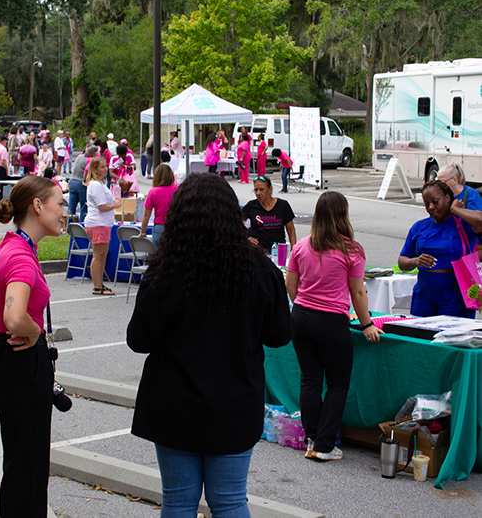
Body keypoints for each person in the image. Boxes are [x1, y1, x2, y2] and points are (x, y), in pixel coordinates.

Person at [127, 173, 293, 518]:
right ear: (234, 215)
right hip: (236, 401)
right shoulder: (260, 271)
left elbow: (138, 340)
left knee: (178, 500)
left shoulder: (163, 273)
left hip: (174, 402)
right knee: (230, 499)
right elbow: (279, 335)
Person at [0, 175, 67, 517]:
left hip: (5, 358)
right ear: (37, 206)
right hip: (21, 361)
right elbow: (15, 316)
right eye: (60, 203)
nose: (65, 210)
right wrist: (35, 333)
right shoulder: (20, 255)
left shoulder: (8, 244)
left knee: (19, 465)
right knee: (29, 470)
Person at [286, 191, 382, 461]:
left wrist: (305, 305)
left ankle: (312, 438)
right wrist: (367, 324)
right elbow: (358, 293)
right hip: (331, 322)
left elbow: (291, 286)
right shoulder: (351, 250)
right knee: (338, 383)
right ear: (343, 215)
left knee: (310, 380)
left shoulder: (302, 246)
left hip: (301, 317)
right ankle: (325, 446)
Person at [398, 180, 482, 318]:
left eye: (435, 201)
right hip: (423, 298)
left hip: (456, 299)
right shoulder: (419, 227)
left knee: (453, 339)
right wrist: (416, 261)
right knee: (419, 338)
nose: (431, 207)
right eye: (426, 204)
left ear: (447, 198)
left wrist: (455, 210)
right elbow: (402, 261)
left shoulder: (462, 224)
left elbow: (479, 221)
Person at [83, 156, 122, 295]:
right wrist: (115, 205)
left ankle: (99, 283)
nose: (105, 169)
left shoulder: (99, 184)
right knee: (98, 255)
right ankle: (97, 286)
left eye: (106, 166)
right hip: (98, 223)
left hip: (102, 223)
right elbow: (102, 207)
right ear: (95, 169)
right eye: (102, 167)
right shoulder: (95, 185)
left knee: (102, 255)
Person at [243, 176, 296, 252]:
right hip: (258, 252)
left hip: (279, 252)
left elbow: (291, 230)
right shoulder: (251, 206)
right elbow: (235, 224)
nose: (258, 193)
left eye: (262, 190)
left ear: (270, 189)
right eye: (256, 190)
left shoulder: (283, 205)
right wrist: (246, 239)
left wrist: (293, 250)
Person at [138, 164, 178, 249]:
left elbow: (146, 215)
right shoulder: (178, 189)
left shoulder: (153, 192)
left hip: (159, 226)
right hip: (175, 225)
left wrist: (142, 232)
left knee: (159, 255)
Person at [437, 162, 482, 228]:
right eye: (436, 181)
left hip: (466, 236)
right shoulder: (441, 195)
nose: (439, 185)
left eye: (443, 181)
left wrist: (457, 210)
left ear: (455, 179)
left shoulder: (471, 194)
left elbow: (478, 221)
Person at [69, 146, 96, 222]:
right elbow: (89, 172)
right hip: (81, 183)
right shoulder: (90, 160)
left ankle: (69, 226)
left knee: (71, 207)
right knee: (84, 205)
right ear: (94, 153)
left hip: (72, 181)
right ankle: (82, 224)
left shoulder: (79, 157)